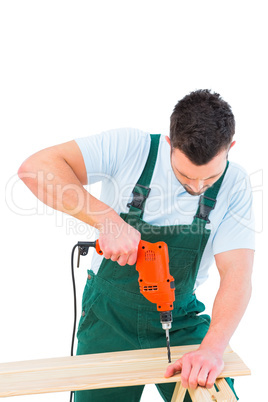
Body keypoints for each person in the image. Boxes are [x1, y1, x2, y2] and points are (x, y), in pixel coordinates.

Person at [18, 89, 254, 401]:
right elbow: (35, 169)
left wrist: (212, 349)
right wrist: (107, 220)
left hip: (180, 320)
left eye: (208, 180)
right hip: (108, 319)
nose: (196, 188)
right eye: (185, 175)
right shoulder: (131, 147)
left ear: (230, 148)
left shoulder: (235, 184)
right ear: (169, 143)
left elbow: (237, 276)